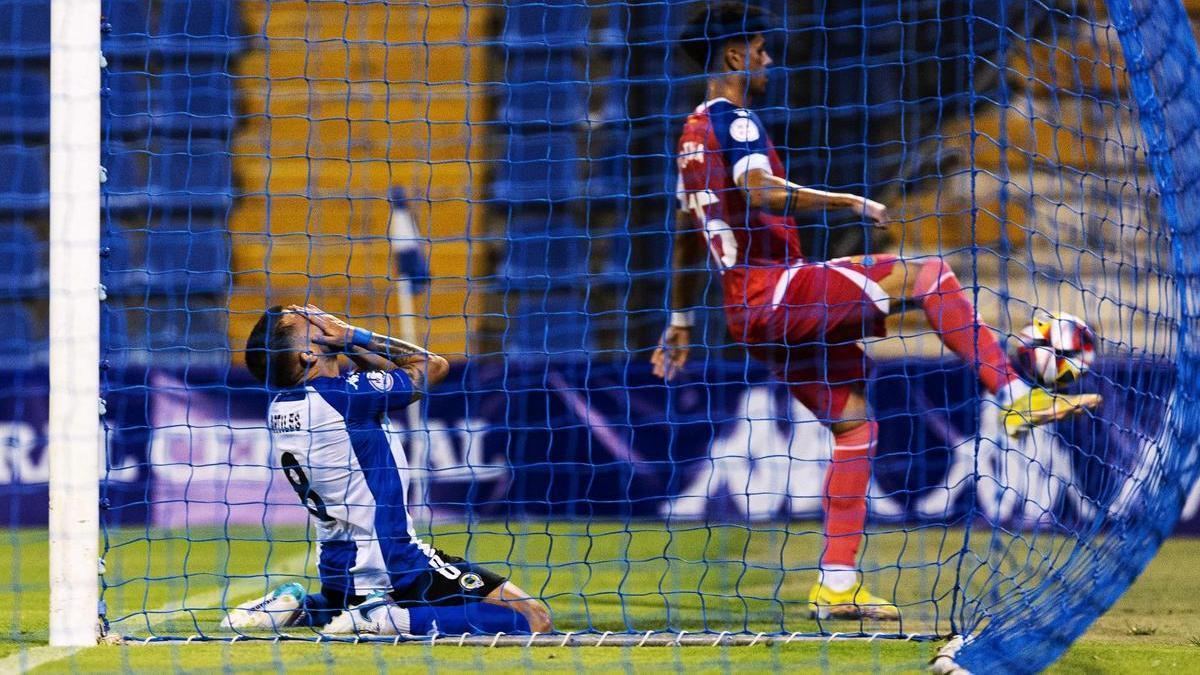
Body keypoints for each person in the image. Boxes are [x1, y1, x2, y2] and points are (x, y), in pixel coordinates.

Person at [652, 2, 1101, 621]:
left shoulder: (690, 135)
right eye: (759, 50)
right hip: (779, 293)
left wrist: (677, 320)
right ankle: (1015, 395)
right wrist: (846, 200)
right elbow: (760, 191)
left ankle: (836, 584)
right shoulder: (737, 121)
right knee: (931, 274)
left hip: (746, 315)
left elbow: (685, 230)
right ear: (734, 55)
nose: (768, 61)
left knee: (856, 427)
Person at [229, 304, 553, 636]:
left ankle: (305, 609)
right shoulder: (346, 397)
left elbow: (389, 373)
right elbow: (433, 366)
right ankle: (384, 619)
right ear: (308, 355)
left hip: (337, 570)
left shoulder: (284, 404)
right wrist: (354, 335)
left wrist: (346, 345)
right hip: (393, 564)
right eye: (309, 321)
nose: (321, 317)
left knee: (343, 608)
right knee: (531, 617)